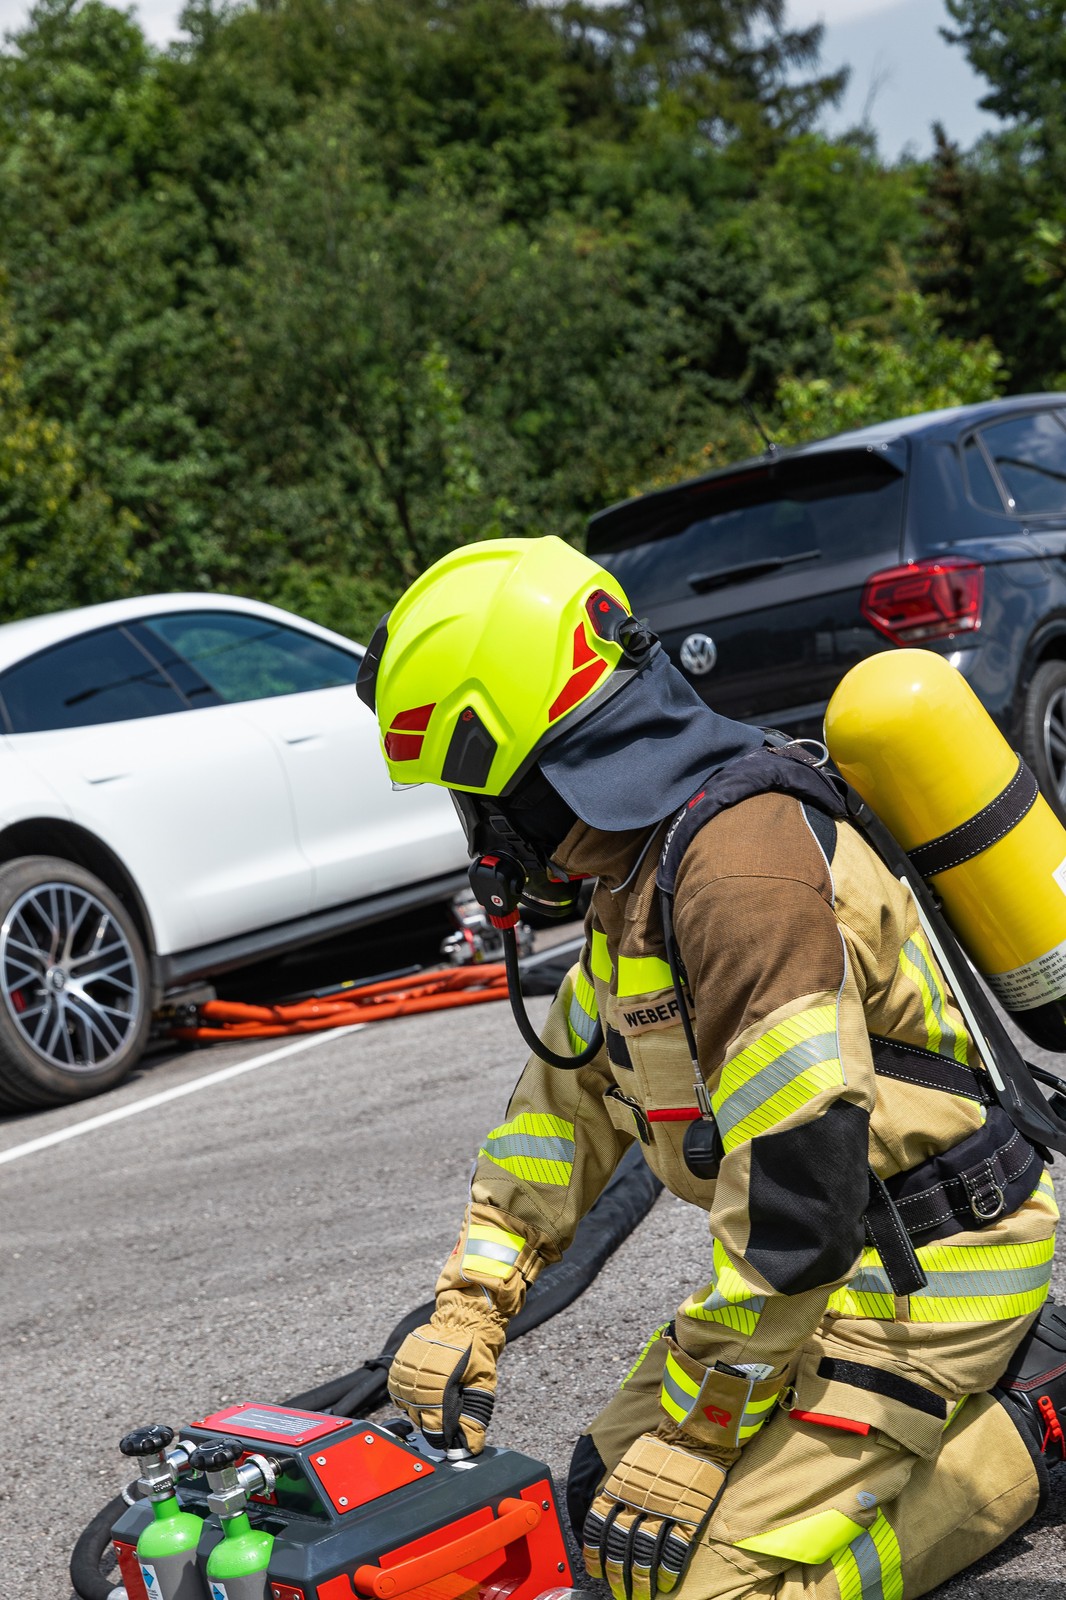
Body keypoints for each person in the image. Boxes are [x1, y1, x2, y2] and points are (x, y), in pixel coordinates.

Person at [356, 535, 1065, 1600]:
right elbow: (563, 1115)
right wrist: (471, 1303)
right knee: (605, 1516)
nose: (481, 836)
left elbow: (801, 1191)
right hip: (828, 1273)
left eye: (476, 795)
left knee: (707, 1587)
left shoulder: (740, 872)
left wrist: (700, 1432)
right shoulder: (629, 874)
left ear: (536, 761)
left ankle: (1032, 1427)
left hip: (927, 1277)